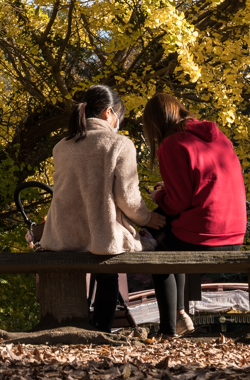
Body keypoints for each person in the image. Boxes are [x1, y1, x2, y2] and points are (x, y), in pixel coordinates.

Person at [42, 85, 166, 332]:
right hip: (101, 238)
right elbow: (127, 198)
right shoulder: (119, 144)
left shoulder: (61, 146)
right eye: (119, 116)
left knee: (96, 260)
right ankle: (102, 331)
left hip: (62, 236)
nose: (119, 122)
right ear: (109, 112)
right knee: (114, 265)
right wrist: (147, 218)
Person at [142, 93, 247, 337]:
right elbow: (205, 187)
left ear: (155, 123)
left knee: (158, 249)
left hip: (206, 235)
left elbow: (177, 203)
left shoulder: (172, 144)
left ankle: (169, 329)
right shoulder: (220, 138)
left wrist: (157, 196)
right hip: (235, 234)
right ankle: (179, 316)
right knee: (169, 237)